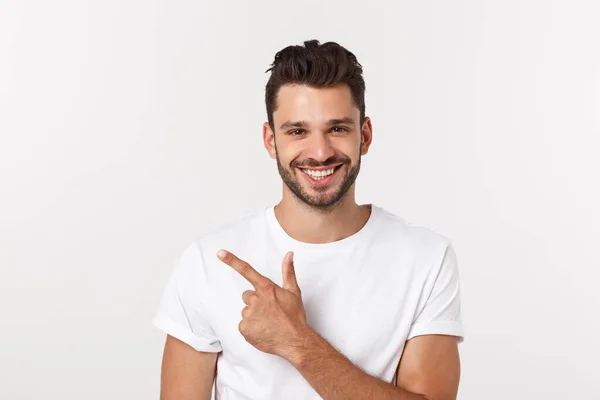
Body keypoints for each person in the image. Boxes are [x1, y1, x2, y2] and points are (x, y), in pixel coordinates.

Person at [153, 39, 464, 400]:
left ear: (364, 135)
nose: (319, 153)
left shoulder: (426, 258)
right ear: (271, 141)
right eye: (297, 131)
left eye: (337, 129)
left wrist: (297, 342)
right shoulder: (209, 261)